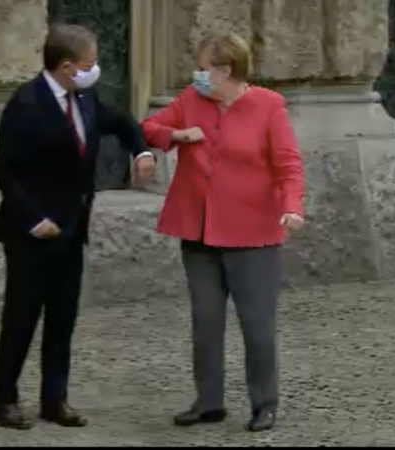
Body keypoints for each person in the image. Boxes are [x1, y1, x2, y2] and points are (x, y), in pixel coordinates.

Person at [0, 23, 156, 430]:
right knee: (22, 317)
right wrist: (35, 219)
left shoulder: (84, 98)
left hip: (72, 227)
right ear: (66, 67)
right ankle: (4, 399)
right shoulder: (26, 104)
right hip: (31, 232)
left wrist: (142, 151)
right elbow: (6, 171)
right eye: (90, 63)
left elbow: (120, 122)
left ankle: (54, 398)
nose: (94, 69)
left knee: (62, 318)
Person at [141, 32, 305, 433]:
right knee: (206, 322)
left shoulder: (268, 106)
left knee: (257, 325)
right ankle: (208, 401)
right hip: (198, 232)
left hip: (253, 235)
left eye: (203, 68)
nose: (196, 75)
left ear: (225, 71)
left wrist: (291, 205)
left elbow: (288, 164)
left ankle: (264, 403)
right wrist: (176, 136)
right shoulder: (191, 100)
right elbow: (149, 127)